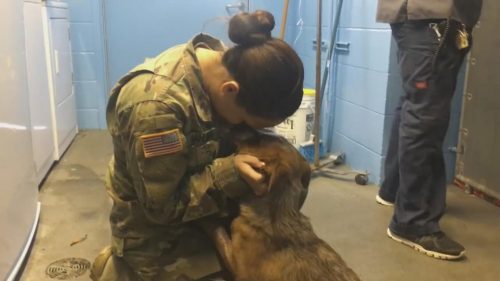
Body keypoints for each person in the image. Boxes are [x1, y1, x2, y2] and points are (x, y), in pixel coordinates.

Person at [90, 10, 304, 281]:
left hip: (210, 208)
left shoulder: (239, 64)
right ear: (230, 90)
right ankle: (119, 268)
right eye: (244, 122)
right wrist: (231, 172)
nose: (244, 130)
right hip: (158, 230)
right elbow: (162, 209)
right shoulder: (156, 109)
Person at [376, 0, 483, 260]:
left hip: (426, 16)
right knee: (426, 114)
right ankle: (412, 222)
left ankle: (394, 189)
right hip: (433, 14)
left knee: (416, 104)